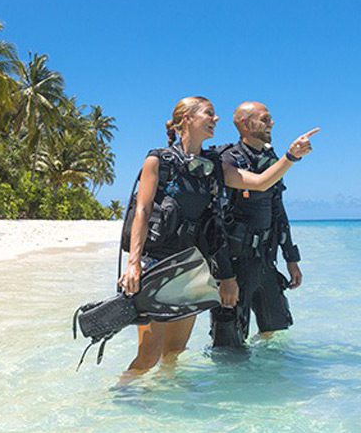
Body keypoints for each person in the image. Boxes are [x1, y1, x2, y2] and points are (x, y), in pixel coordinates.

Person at [118, 96, 318, 375]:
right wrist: (133, 264)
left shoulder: (213, 164)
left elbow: (260, 183)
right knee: (149, 356)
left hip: (190, 268)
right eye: (209, 114)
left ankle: (166, 409)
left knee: (174, 353)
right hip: (157, 265)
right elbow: (142, 210)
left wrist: (291, 156)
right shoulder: (158, 160)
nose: (216, 119)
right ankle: (119, 400)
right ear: (187, 119)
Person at [211, 102, 304, 348]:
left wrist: (291, 258)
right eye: (265, 119)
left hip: (265, 261)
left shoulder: (269, 159)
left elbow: (278, 211)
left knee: (276, 337)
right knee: (229, 346)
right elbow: (215, 223)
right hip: (236, 265)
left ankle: (268, 385)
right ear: (244, 124)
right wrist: (225, 277)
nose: (271, 123)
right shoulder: (228, 159)